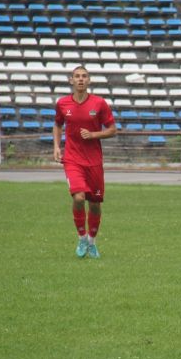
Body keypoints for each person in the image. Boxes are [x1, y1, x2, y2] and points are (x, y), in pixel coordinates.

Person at [53, 65, 117, 259]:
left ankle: (91, 241)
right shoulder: (62, 103)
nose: (80, 79)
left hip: (94, 161)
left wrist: (93, 134)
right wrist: (56, 146)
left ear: (89, 81)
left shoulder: (99, 103)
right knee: (79, 198)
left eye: (84, 76)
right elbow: (57, 125)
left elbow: (112, 129)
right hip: (72, 159)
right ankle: (81, 237)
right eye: (77, 76)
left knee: (95, 204)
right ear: (71, 80)